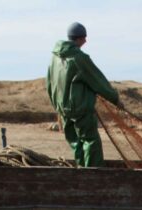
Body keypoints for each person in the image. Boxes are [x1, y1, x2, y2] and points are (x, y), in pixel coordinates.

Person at [46, 22, 120, 168]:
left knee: (75, 142)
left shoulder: (54, 59)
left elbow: (49, 83)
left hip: (63, 109)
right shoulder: (79, 58)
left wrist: (57, 105)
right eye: (84, 38)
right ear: (79, 38)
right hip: (80, 108)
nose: (85, 41)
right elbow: (97, 80)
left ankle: (81, 172)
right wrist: (115, 99)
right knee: (90, 141)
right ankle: (93, 174)